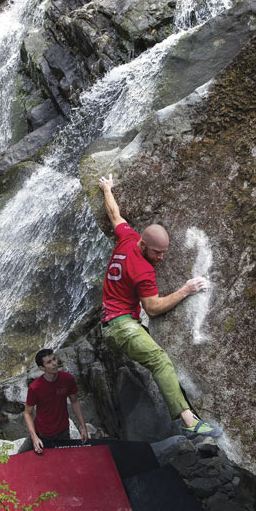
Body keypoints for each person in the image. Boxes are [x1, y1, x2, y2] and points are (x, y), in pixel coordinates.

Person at [97, 174, 221, 437]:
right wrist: (186, 290)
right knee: (160, 360)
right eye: (157, 253)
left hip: (115, 320)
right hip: (121, 326)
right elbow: (153, 308)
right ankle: (190, 423)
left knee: (157, 358)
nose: (161, 258)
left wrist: (107, 189)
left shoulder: (127, 238)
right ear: (144, 245)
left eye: (164, 252)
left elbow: (114, 215)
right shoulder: (143, 270)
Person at [23, 348, 90, 453]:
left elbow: (74, 401)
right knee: (20, 456)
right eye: (49, 362)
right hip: (42, 433)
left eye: (54, 359)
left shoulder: (67, 379)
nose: (54, 363)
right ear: (42, 367)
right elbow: (27, 413)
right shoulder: (35, 388)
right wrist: (34, 437)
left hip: (63, 432)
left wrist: (83, 427)